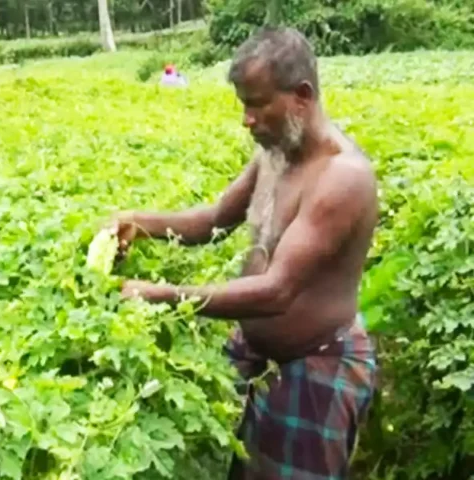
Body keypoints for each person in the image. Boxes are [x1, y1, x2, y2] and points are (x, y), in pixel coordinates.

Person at [105, 26, 378, 479]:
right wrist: (137, 222)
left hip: (315, 363)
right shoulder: (275, 153)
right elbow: (213, 220)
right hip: (252, 354)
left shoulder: (341, 177)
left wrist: (160, 295)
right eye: (243, 105)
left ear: (301, 96)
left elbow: (277, 291)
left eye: (257, 104)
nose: (246, 120)